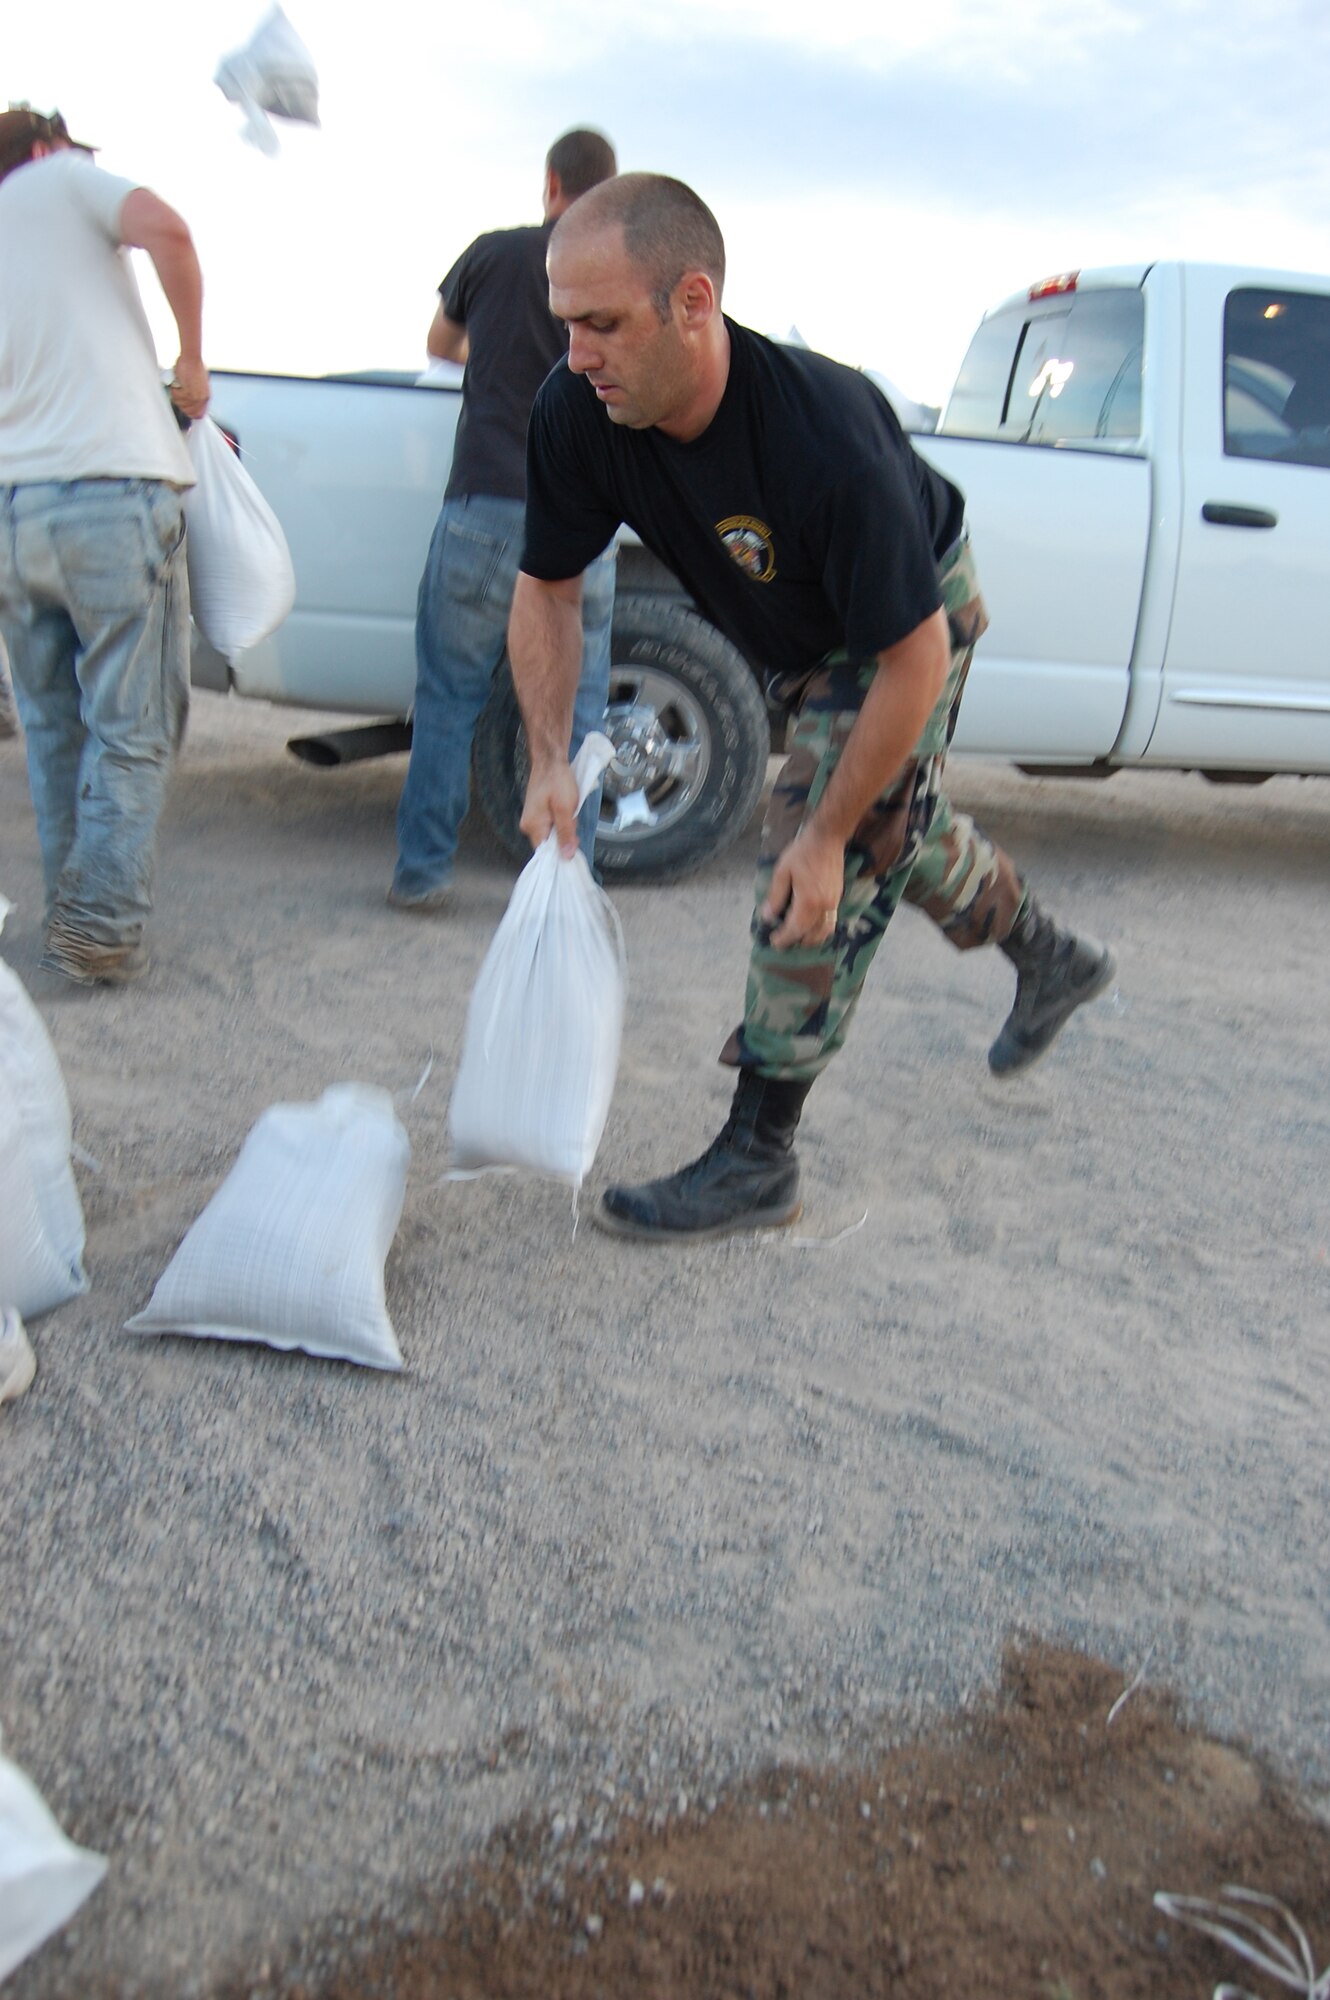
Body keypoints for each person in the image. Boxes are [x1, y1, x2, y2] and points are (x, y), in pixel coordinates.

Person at [509, 172, 1118, 1243]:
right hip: (799, 635)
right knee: (894, 826)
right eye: (563, 323)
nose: (576, 354)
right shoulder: (580, 410)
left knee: (821, 847)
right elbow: (548, 585)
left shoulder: (823, 435)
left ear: (692, 303)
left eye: (601, 323)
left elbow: (912, 656)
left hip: (905, 628)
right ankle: (1048, 952)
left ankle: (759, 1154)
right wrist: (548, 754)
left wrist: (829, 832)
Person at [0, 104, 209, 986]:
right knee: (131, 727)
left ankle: (70, 919)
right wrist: (192, 358)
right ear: (46, 147)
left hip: (14, 510)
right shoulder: (61, 176)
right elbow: (166, 227)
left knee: (52, 729)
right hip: (110, 493)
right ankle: (100, 929)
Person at [389, 127, 619, 911]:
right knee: (578, 710)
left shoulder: (494, 255)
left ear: (552, 182)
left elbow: (440, 344)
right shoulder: (622, 274)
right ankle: (563, 881)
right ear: (609, 189)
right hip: (582, 523)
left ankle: (422, 871)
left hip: (484, 506)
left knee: (449, 695)